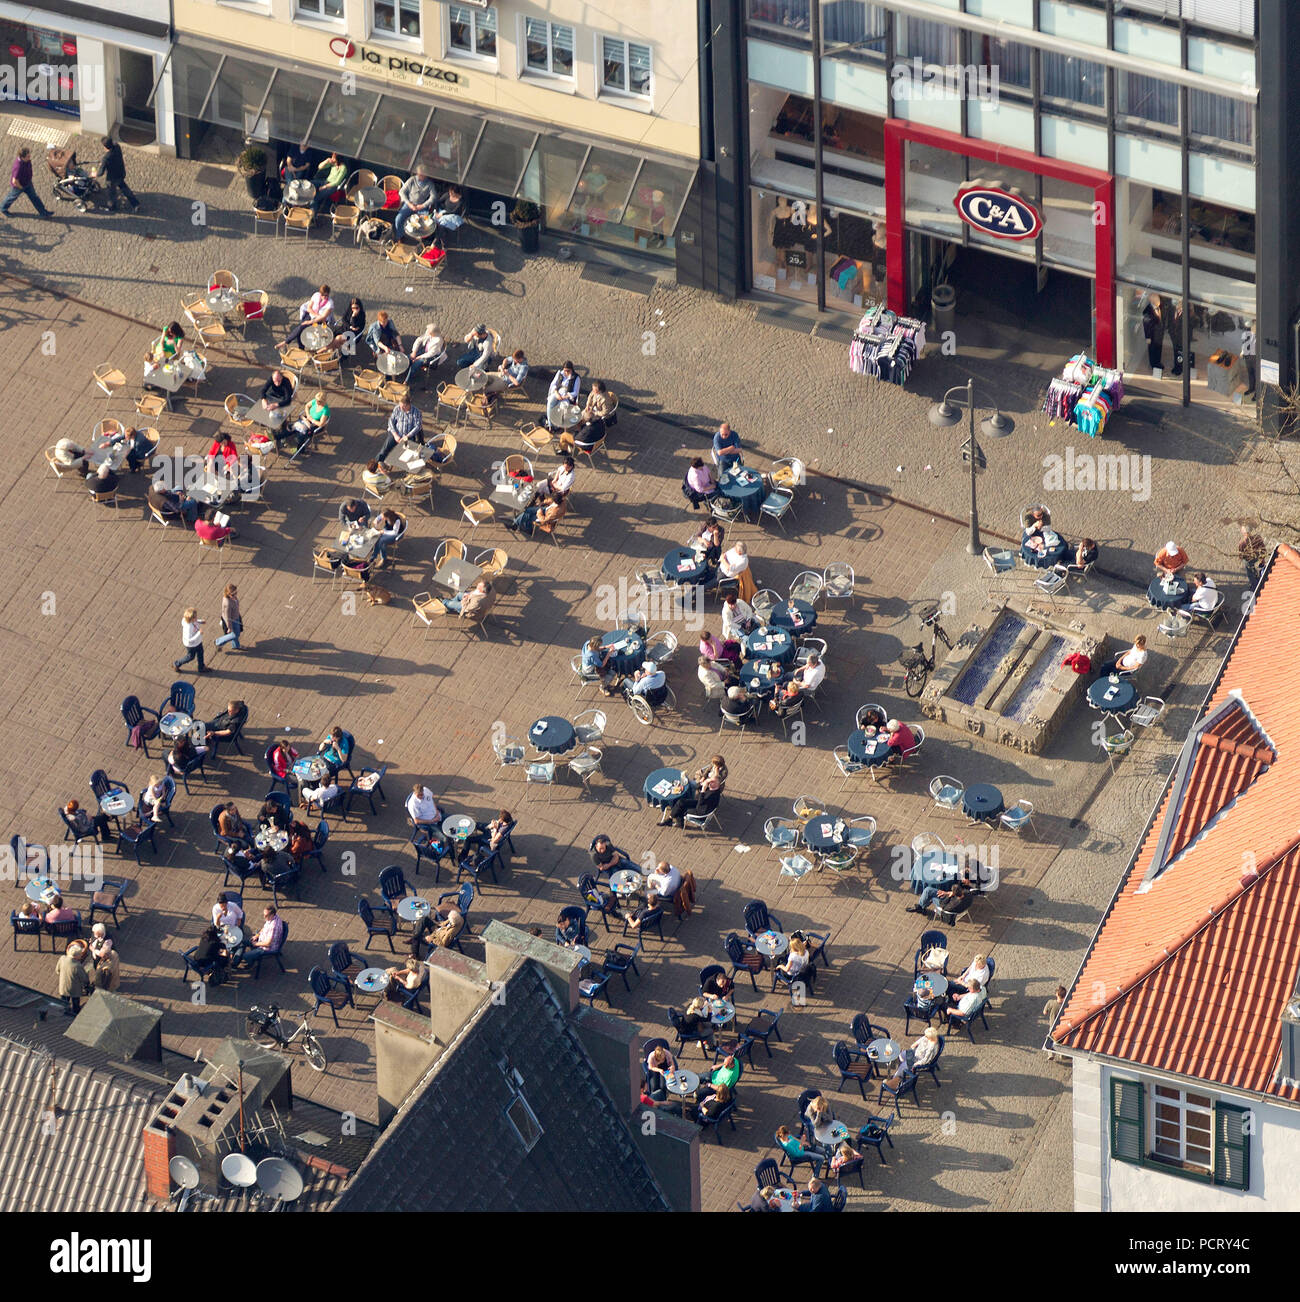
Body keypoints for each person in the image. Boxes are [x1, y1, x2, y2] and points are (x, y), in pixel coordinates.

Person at [664, 756, 727, 828]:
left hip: (701, 810)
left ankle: (679, 823)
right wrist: (704, 779)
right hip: (703, 801)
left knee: (680, 808)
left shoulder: (711, 793)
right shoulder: (714, 788)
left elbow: (700, 803)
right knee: (681, 802)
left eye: (710, 782)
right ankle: (670, 818)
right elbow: (708, 771)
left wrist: (703, 790)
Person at [393, 165, 438, 241]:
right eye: (419, 174)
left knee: (426, 223)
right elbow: (402, 191)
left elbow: (433, 197)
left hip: (422, 207)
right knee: (398, 219)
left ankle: (422, 239)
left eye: (422, 174)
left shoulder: (429, 184)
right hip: (409, 204)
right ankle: (400, 236)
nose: (420, 176)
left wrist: (423, 205)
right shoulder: (412, 180)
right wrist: (409, 203)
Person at [1, 145, 49, 217]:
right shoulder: (18, 167)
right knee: (11, 197)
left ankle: (43, 212)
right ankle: (3, 208)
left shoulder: (26, 161)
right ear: (22, 157)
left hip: (27, 182)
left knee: (34, 197)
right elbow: (15, 181)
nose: (30, 157)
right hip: (19, 186)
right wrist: (21, 187)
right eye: (28, 156)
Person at [285, 284, 335, 349]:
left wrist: (310, 321)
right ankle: (300, 347)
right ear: (320, 293)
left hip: (321, 322)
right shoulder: (316, 295)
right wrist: (316, 315)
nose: (324, 297)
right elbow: (309, 308)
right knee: (300, 328)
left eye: (326, 295)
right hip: (312, 315)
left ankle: (286, 342)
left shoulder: (330, 304)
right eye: (323, 295)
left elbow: (323, 317)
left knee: (304, 328)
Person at [376, 394, 424, 463]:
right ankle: (376, 465)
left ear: (408, 405)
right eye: (400, 406)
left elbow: (418, 426)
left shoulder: (416, 412)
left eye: (402, 407)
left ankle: (410, 469)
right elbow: (391, 421)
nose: (400, 408)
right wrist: (395, 435)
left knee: (411, 455)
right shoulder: (397, 408)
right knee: (384, 450)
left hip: (408, 436)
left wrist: (407, 436)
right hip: (396, 434)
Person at [908, 873, 972, 917]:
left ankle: (921, 907)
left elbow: (944, 907)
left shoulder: (955, 904)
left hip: (945, 905)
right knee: (928, 890)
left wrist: (948, 897)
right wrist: (947, 893)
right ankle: (921, 906)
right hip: (950, 899)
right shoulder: (968, 893)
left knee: (931, 896)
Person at [55, 941, 92, 1016]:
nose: (81, 956)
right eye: (80, 955)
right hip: (74, 990)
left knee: (64, 1003)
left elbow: (57, 970)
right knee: (75, 1004)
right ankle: (75, 1013)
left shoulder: (62, 958)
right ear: (76, 956)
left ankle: (65, 1013)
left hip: (63, 987)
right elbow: (84, 979)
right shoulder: (77, 966)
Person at [546, 361, 582, 430]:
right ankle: (550, 424)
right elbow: (553, 384)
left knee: (560, 407)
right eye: (565, 370)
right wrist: (556, 393)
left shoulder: (576, 378)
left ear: (571, 369)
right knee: (550, 402)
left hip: (567, 396)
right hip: (558, 392)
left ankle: (557, 424)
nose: (566, 372)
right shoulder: (560, 373)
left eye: (568, 371)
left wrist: (565, 397)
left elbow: (575, 392)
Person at [174, 607, 210, 674]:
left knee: (200, 653)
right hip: (192, 645)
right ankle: (177, 664)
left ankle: (201, 667)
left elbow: (195, 621)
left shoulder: (187, 620)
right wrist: (199, 633)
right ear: (191, 619)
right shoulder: (188, 628)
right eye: (195, 617)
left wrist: (200, 621)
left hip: (198, 642)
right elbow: (189, 639)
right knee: (190, 657)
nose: (197, 618)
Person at [1043, 984, 1070, 1062]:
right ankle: (1062, 1054)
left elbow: (1044, 1012)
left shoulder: (1050, 1002)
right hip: (1062, 1026)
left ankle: (1051, 1054)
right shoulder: (1066, 1005)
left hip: (1052, 1025)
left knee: (1051, 1039)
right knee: (1062, 1040)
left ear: (1057, 995)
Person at [90, 924, 120, 991]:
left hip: (104, 960)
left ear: (101, 933)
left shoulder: (108, 940)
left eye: (96, 934)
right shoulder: (95, 934)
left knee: (102, 972)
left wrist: (93, 949)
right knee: (96, 968)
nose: (94, 935)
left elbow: (102, 954)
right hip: (96, 959)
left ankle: (103, 983)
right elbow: (93, 940)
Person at [1142, 293, 1166, 372]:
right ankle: (1153, 364)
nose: (1159, 301)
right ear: (1152, 300)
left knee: (1159, 349)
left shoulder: (1159, 307)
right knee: (1152, 350)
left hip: (1159, 334)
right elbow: (1146, 325)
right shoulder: (1148, 311)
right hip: (1152, 335)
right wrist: (1148, 337)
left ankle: (1158, 362)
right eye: (1157, 299)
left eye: (1158, 299)